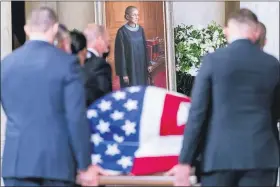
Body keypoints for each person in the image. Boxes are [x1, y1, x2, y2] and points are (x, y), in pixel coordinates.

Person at [167, 8, 280, 186]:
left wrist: (184, 161)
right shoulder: (272, 64)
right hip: (260, 156)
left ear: (226, 31)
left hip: (219, 157)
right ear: (256, 31)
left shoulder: (213, 61)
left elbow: (197, 113)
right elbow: (276, 112)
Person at [1, 6, 99, 186]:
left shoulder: (6, 64)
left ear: (26, 29)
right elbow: (75, 117)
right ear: (55, 29)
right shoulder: (67, 63)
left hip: (16, 164)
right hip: (56, 164)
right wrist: (85, 165)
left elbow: (8, 108)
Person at [114, 6, 152, 88]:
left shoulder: (141, 29)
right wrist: (124, 73)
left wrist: (148, 64)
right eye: (134, 15)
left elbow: (145, 48)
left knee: (142, 90)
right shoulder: (122, 32)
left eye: (137, 15)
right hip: (130, 68)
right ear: (127, 16)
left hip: (141, 67)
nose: (137, 17)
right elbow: (120, 54)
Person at [83, 24, 112, 107]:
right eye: (106, 39)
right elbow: (105, 98)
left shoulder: (75, 59)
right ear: (99, 39)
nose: (108, 43)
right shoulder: (100, 65)